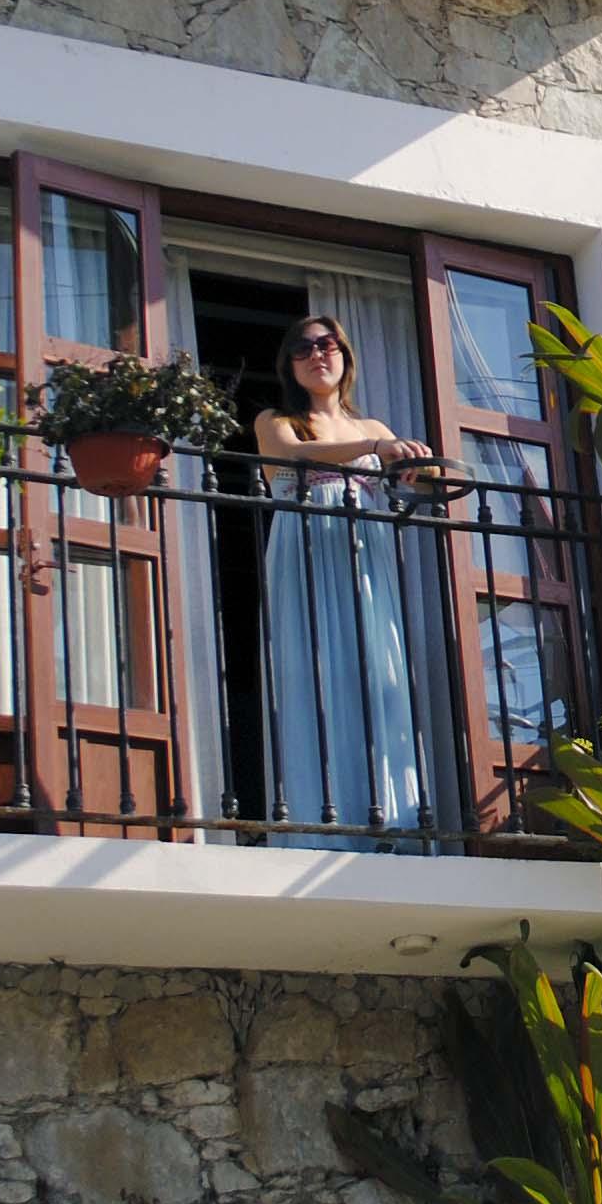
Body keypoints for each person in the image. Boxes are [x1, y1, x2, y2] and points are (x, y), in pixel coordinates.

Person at [253, 314, 438, 844]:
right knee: (312, 671)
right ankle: (321, 825)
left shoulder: (375, 429)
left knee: (374, 671)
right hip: (307, 548)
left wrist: (414, 469)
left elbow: (411, 490)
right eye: (302, 347)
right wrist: (374, 453)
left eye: (328, 344)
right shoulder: (278, 420)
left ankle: (389, 821)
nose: (317, 354)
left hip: (365, 557)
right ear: (290, 365)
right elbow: (289, 456)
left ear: (345, 355)